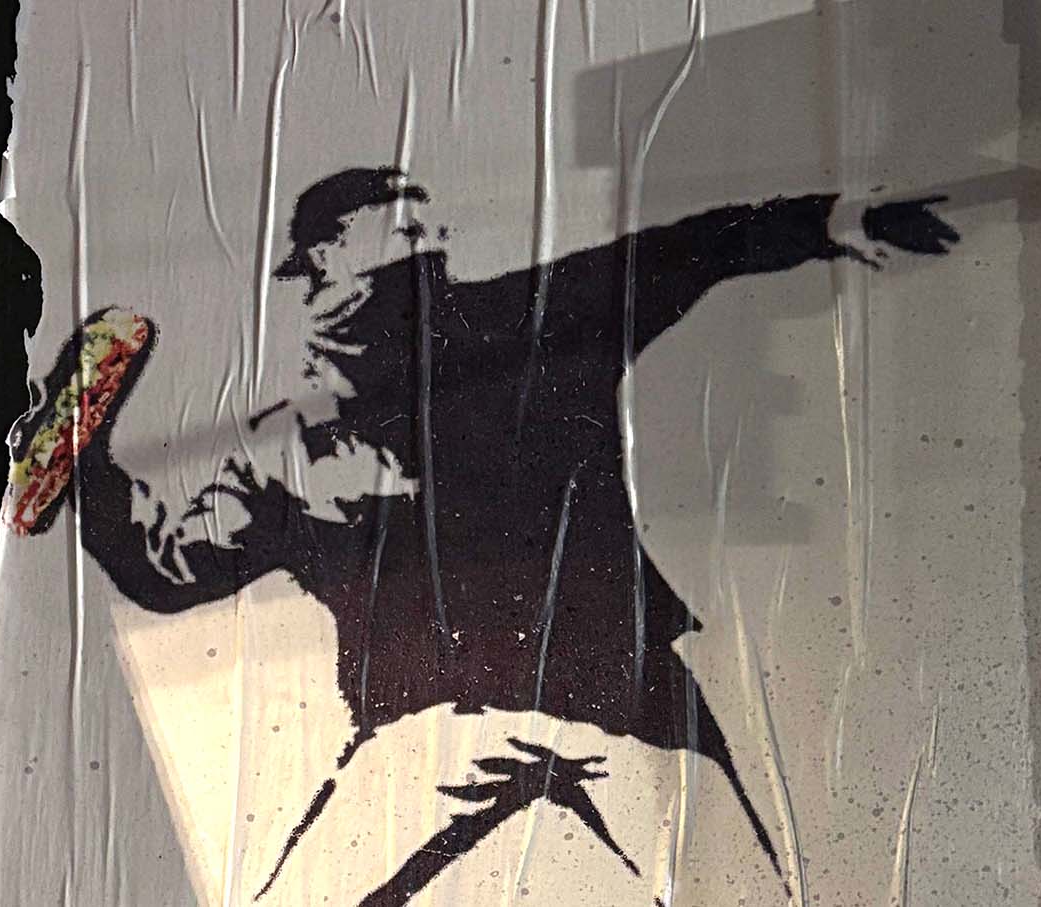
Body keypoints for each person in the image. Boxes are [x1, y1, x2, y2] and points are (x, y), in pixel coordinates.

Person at [64, 167, 959, 902]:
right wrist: (87, 466)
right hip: (502, 724)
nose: (417, 250)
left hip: (570, 715)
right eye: (391, 242)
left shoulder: (516, 330)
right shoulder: (301, 439)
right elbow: (166, 575)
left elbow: (684, 252)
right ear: (322, 270)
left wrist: (827, 220)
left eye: (415, 239)